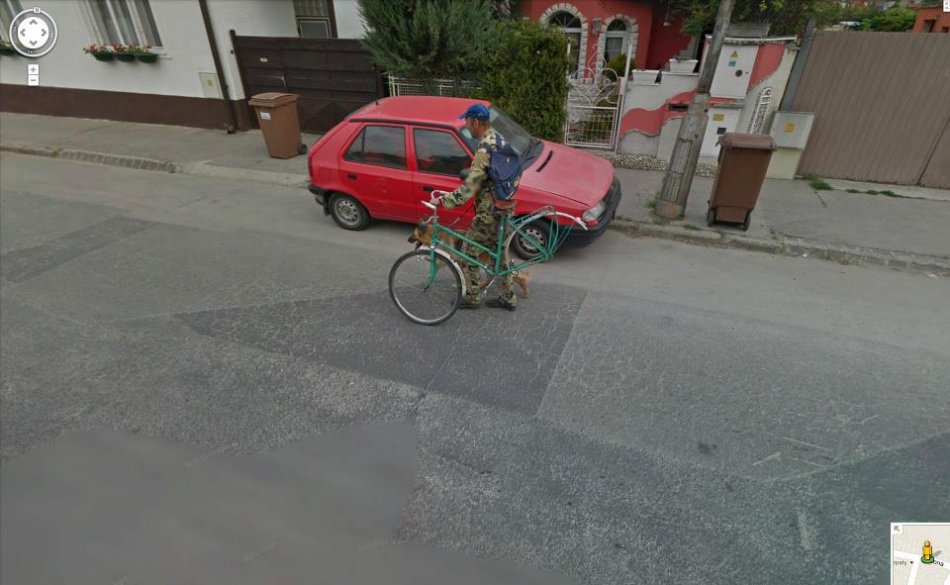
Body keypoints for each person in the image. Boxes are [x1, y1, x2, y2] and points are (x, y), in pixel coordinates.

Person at [429, 103, 517, 311]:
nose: (467, 126)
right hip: (505, 206)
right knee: (499, 255)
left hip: (490, 213)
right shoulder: (498, 138)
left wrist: (443, 200)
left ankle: (472, 297)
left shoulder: (484, 148)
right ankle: (508, 297)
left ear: (475, 122)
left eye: (468, 122)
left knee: (468, 252)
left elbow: (470, 186)